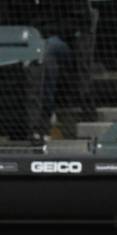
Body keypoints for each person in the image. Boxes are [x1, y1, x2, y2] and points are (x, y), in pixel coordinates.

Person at [0, 0, 97, 139]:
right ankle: (36, 124)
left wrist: (43, 35)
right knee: (44, 62)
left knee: (46, 50)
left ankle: (40, 122)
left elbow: (76, 24)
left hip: (64, 44)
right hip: (32, 43)